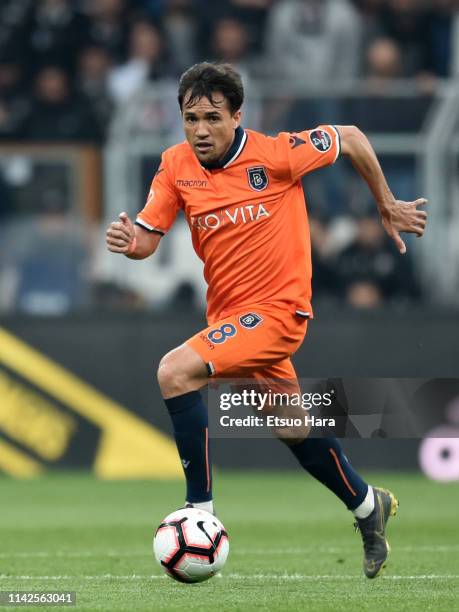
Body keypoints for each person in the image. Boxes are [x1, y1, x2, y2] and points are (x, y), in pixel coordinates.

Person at [106, 62, 427, 578]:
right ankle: (370, 507)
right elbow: (148, 240)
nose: (201, 129)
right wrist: (129, 243)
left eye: (212, 117)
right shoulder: (174, 165)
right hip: (231, 317)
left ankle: (198, 512)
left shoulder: (276, 154)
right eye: (190, 118)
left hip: (279, 313)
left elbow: (351, 137)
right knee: (293, 427)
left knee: (174, 371)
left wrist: (386, 204)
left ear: (237, 115)